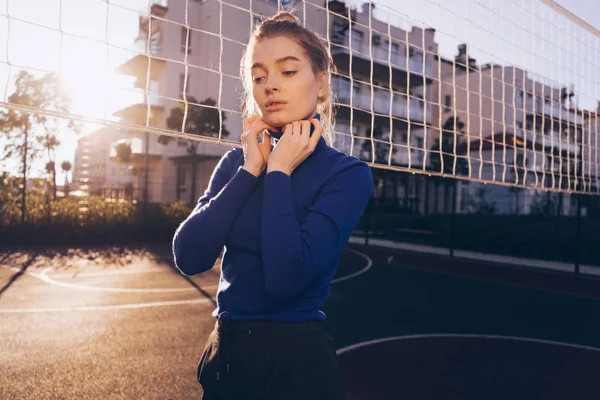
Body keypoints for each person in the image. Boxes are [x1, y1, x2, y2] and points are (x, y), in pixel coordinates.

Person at [172, 11, 373, 400]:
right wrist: (252, 169)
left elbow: (286, 280)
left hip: (295, 363)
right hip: (226, 355)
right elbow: (189, 256)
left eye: (288, 71)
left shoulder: (347, 174)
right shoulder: (237, 162)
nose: (270, 86)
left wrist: (278, 172)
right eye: (259, 76)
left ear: (322, 85)